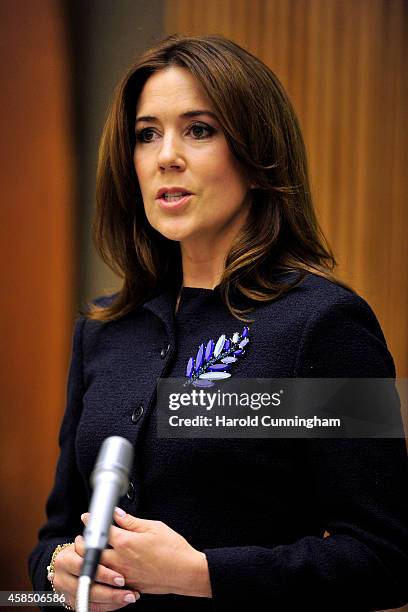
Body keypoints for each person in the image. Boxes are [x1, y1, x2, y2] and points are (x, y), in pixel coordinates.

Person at [29, 34, 408, 611]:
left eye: (199, 129)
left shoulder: (324, 325)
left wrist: (201, 574)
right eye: (146, 134)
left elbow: (385, 560)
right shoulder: (107, 329)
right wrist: (58, 571)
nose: (166, 156)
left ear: (258, 158)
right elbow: (54, 534)